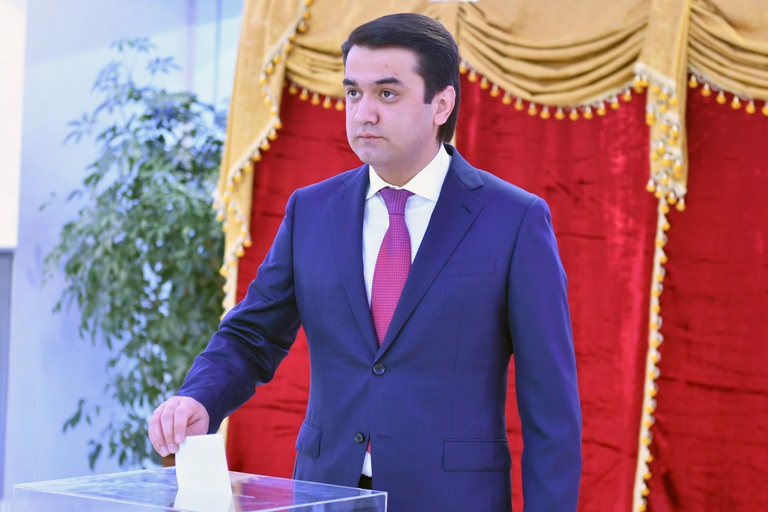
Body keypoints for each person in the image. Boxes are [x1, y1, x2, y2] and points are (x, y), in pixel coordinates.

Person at [149, 12, 581, 511]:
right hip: (326, 492)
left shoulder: (513, 219)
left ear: (441, 104)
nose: (363, 113)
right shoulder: (311, 210)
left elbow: (551, 409)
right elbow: (252, 335)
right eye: (353, 92)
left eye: (387, 93)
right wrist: (199, 397)